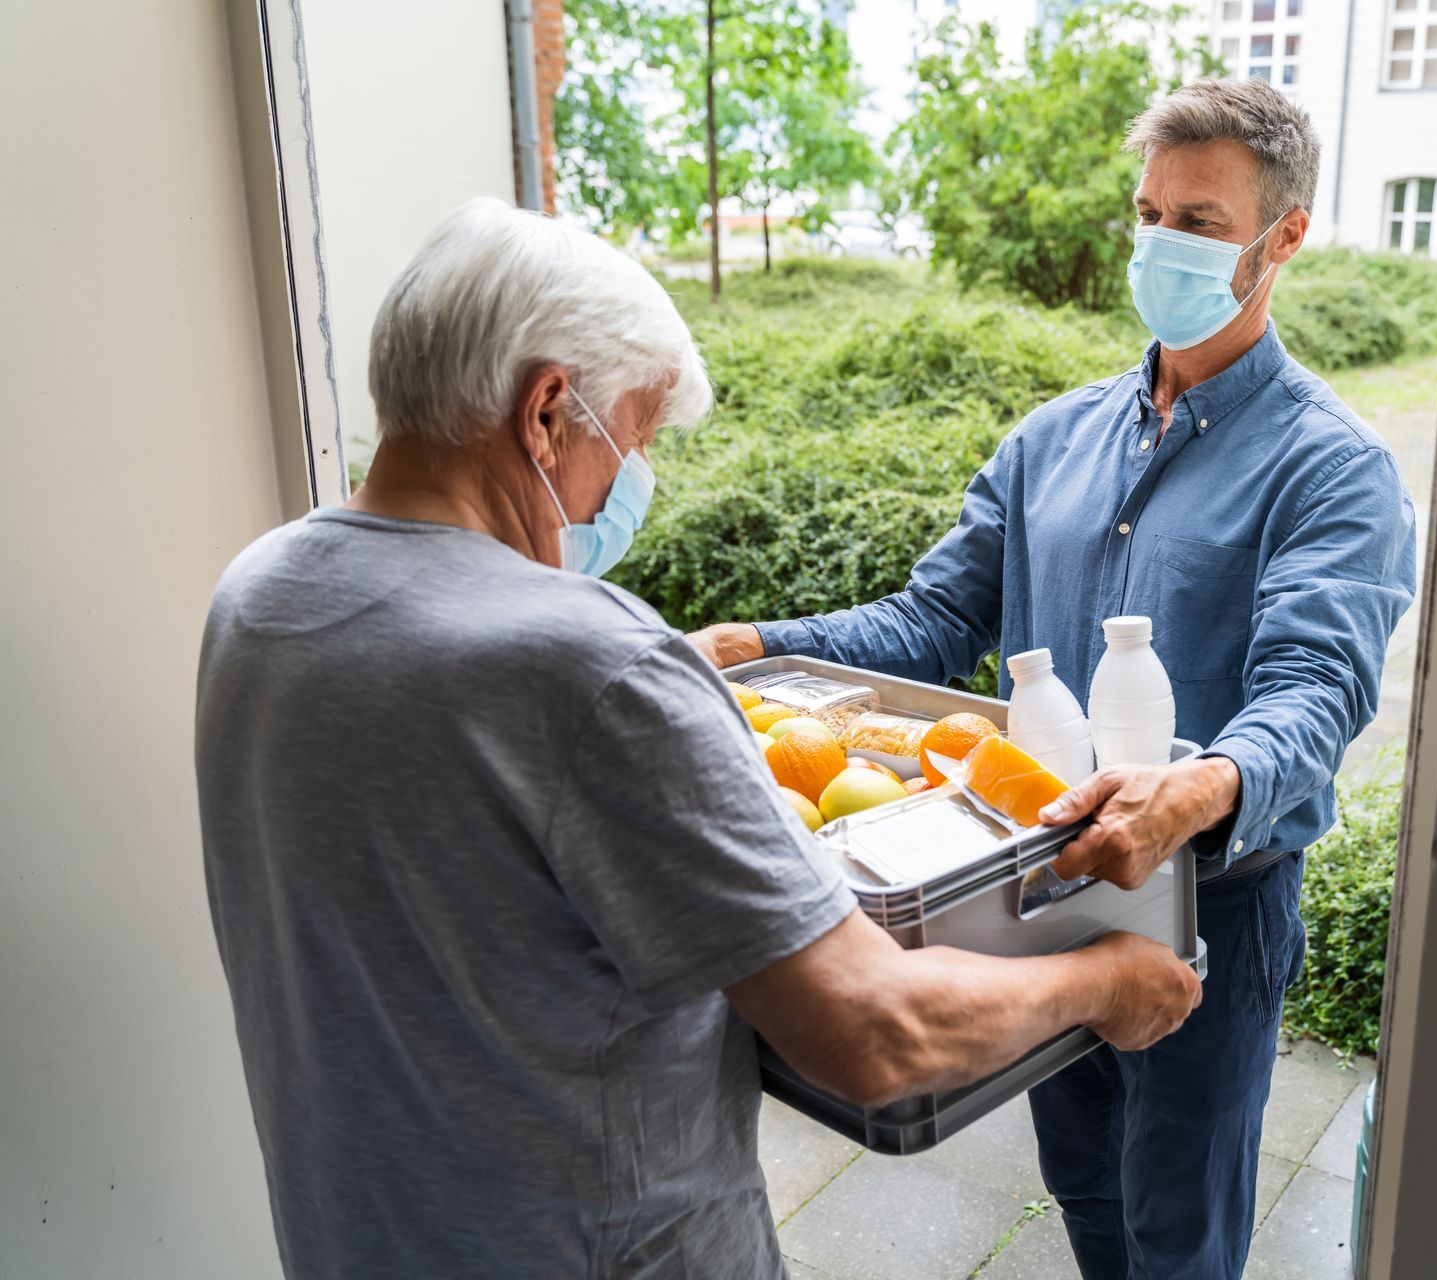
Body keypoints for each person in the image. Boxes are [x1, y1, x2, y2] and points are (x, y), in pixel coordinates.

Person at [195, 197, 1201, 1280]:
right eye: (632, 437)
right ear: (544, 411)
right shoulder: (589, 661)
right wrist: (1108, 975)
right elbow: (874, 1032)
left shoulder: (257, 596)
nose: (632, 478)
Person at [689, 79, 1418, 1277]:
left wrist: (1194, 790)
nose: (1158, 242)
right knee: (1081, 1180)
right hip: (1036, 879)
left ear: (1283, 238)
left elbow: (1315, 687)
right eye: (1147, 210)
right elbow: (930, 622)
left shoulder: (1327, 468)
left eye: (1197, 218)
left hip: (1206, 904)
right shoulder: (1051, 443)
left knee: (1178, 1223)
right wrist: (758, 643)